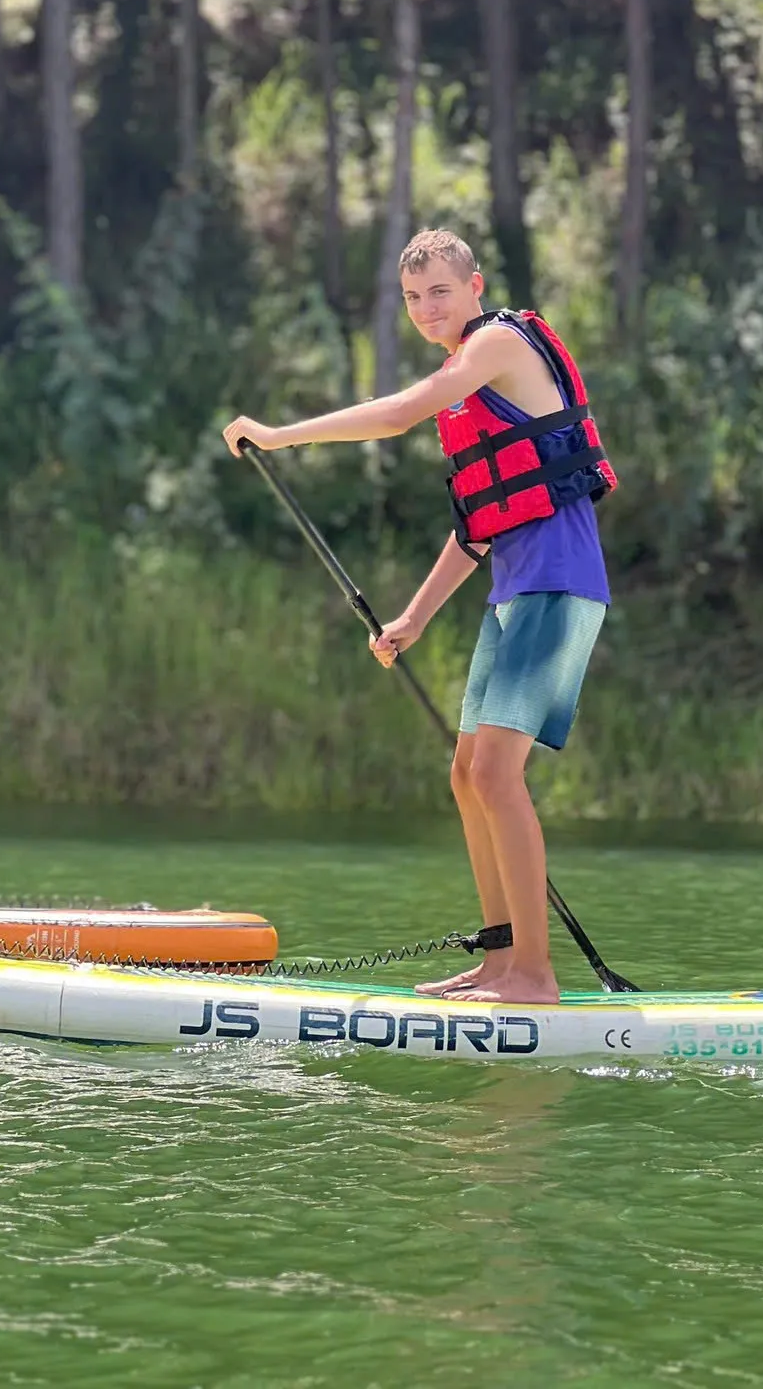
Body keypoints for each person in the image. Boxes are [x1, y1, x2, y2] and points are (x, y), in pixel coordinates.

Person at [222, 228, 613, 1005]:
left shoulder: (496, 344)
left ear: (475, 286)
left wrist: (278, 436)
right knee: (467, 774)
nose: (426, 307)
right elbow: (477, 528)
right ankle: (502, 961)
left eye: (439, 290)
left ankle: (535, 975)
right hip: (514, 594)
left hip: (559, 586)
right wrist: (412, 618)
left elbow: (399, 414)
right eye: (411, 297)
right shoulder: (470, 385)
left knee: (499, 774)